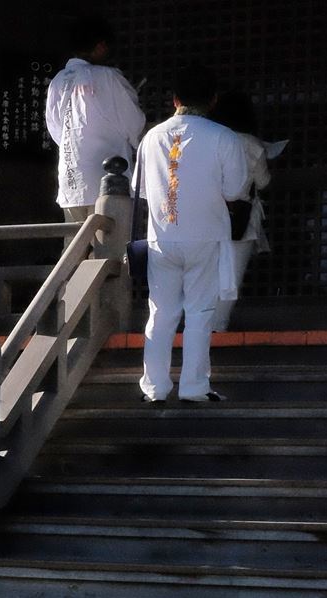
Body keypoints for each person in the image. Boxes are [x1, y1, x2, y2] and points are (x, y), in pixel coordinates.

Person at [132, 65, 248, 403]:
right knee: (199, 313)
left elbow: (140, 190)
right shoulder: (224, 137)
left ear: (174, 99)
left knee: (161, 313)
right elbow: (236, 189)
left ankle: (154, 388)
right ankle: (194, 387)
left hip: (161, 238)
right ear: (213, 100)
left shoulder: (151, 137)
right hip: (205, 236)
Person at [45, 14, 145, 227]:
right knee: (110, 246)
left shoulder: (57, 82)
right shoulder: (108, 77)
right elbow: (134, 123)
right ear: (100, 46)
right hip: (109, 181)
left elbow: (56, 131)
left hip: (72, 177)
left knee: (74, 249)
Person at [208, 91, 286, 331]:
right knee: (230, 278)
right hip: (239, 217)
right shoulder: (251, 144)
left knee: (202, 276)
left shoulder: (208, 139)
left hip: (205, 215)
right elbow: (262, 182)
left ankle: (196, 327)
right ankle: (218, 327)